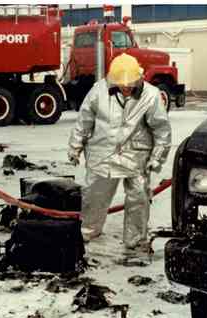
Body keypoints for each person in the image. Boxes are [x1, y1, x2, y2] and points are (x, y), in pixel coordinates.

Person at [68, 53, 171, 251]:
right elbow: (84, 120)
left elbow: (161, 130)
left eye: (130, 84)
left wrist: (157, 158)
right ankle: (88, 231)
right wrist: (75, 146)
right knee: (94, 195)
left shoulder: (151, 95)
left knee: (139, 198)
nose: (126, 88)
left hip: (136, 156)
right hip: (102, 154)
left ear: (139, 78)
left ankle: (135, 240)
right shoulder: (99, 91)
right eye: (121, 84)